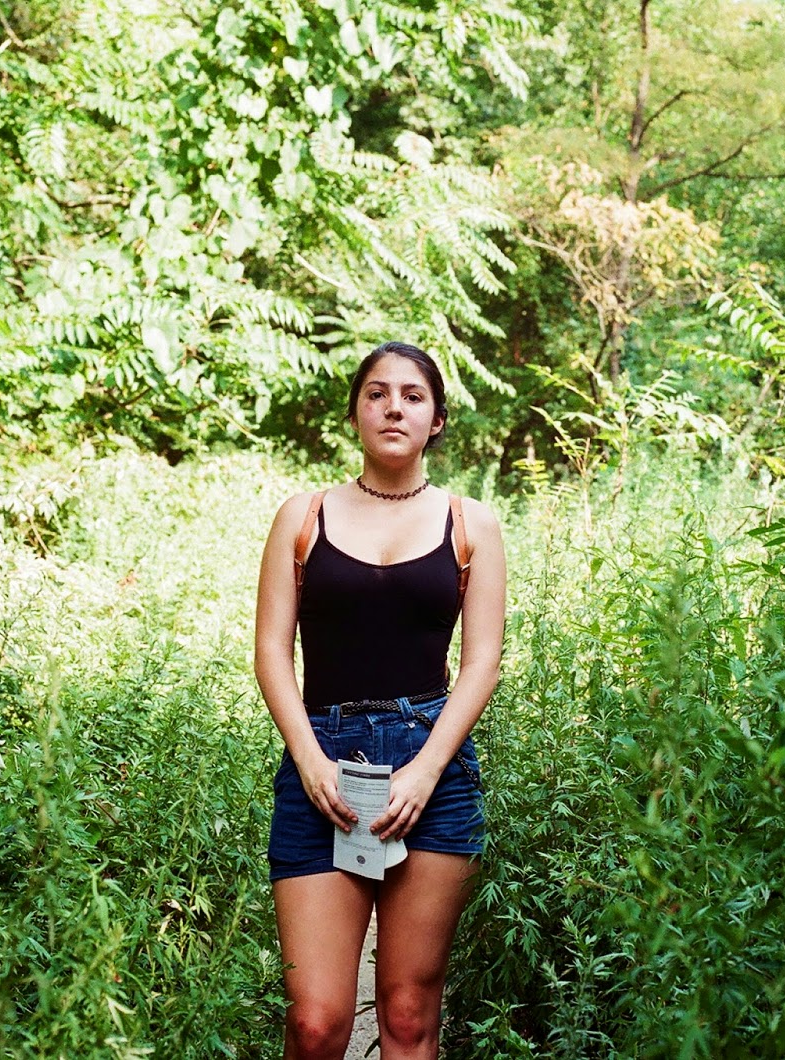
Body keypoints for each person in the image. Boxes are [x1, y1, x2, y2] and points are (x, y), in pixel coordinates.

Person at [254, 341, 507, 1059]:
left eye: (413, 396)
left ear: (437, 419)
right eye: (377, 393)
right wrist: (309, 760)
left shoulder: (471, 523)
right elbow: (271, 651)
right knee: (315, 1021)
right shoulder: (302, 516)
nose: (394, 407)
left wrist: (425, 771)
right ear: (355, 414)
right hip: (321, 765)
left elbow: (481, 661)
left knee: (407, 1013)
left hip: (433, 767)